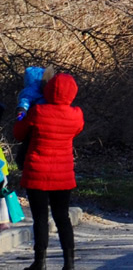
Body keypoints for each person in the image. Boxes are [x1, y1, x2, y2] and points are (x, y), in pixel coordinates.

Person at [13, 72, 84, 270]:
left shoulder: (38, 112)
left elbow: (18, 133)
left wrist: (22, 111)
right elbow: (77, 130)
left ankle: (40, 261)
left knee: (40, 219)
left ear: (47, 88)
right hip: (63, 176)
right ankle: (69, 263)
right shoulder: (76, 115)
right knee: (62, 218)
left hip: (37, 173)